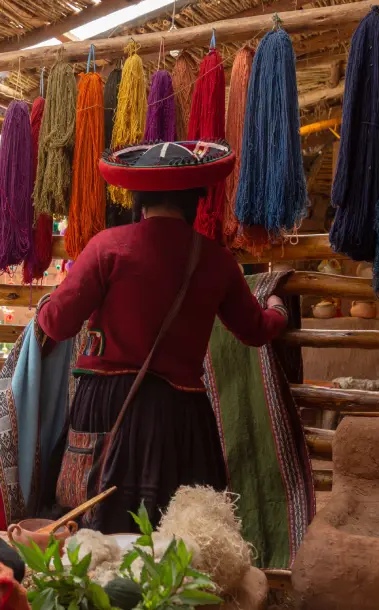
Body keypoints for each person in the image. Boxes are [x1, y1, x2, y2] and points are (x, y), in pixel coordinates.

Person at [36, 141, 290, 533]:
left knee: (98, 522)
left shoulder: (107, 247)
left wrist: (47, 302)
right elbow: (256, 331)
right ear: (196, 201)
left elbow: (56, 324)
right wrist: (278, 309)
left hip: (107, 406)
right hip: (180, 416)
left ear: (139, 200)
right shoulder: (217, 261)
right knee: (179, 532)